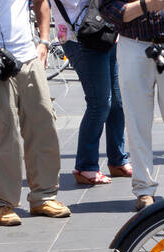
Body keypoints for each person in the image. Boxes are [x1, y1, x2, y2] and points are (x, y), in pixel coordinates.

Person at [0, 0, 70, 226]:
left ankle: (44, 197)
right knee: (4, 134)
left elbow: (42, 4)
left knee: (44, 127)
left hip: (29, 60)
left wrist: (44, 42)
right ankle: (1, 202)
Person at [101, 0, 164, 211]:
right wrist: (148, 5)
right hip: (135, 47)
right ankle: (144, 189)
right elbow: (110, 11)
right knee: (138, 123)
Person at [50, 0, 131, 185]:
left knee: (118, 102)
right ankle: (85, 166)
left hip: (105, 32)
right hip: (79, 36)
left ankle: (118, 160)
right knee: (99, 103)